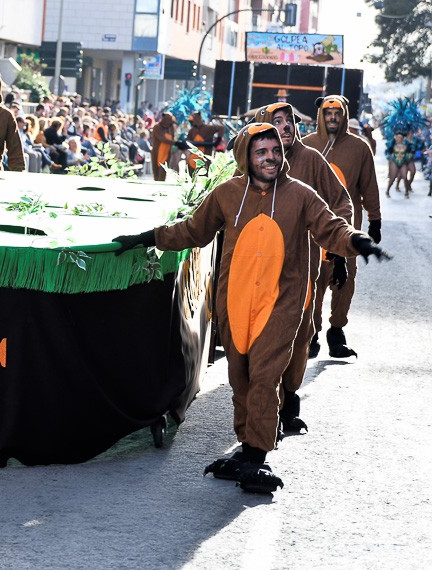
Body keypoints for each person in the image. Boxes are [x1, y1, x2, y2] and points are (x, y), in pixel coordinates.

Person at [113, 123, 388, 493]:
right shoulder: (227, 194)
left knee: (264, 377)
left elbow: (330, 227)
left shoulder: (300, 195)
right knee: (239, 378)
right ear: (247, 157)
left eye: (276, 150)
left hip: (281, 304)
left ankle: (258, 456)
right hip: (236, 301)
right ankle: (246, 448)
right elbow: (193, 230)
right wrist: (146, 238)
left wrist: (357, 240)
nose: (272, 158)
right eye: (262, 152)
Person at [254, 103, 352, 436]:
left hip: (303, 267)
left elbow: (341, 203)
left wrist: (338, 254)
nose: (285, 127)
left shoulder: (311, 159)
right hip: (260, 270)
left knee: (300, 335)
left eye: (289, 121)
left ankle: (288, 404)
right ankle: (263, 412)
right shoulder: (253, 158)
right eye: (277, 121)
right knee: (265, 340)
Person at [302, 95, 381, 358]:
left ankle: (336, 330)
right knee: (313, 279)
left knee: (344, 278)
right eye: (328, 113)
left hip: (347, 227)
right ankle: (310, 331)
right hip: (313, 229)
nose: (332, 117)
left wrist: (375, 220)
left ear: (344, 115)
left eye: (337, 113)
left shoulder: (359, 148)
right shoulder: (307, 146)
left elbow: (369, 187)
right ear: (321, 115)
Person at [150, 113, 177, 181]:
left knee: (163, 171)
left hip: (167, 152)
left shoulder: (171, 128)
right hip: (157, 152)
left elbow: (172, 138)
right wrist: (176, 143)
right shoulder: (157, 127)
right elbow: (162, 139)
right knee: (156, 172)